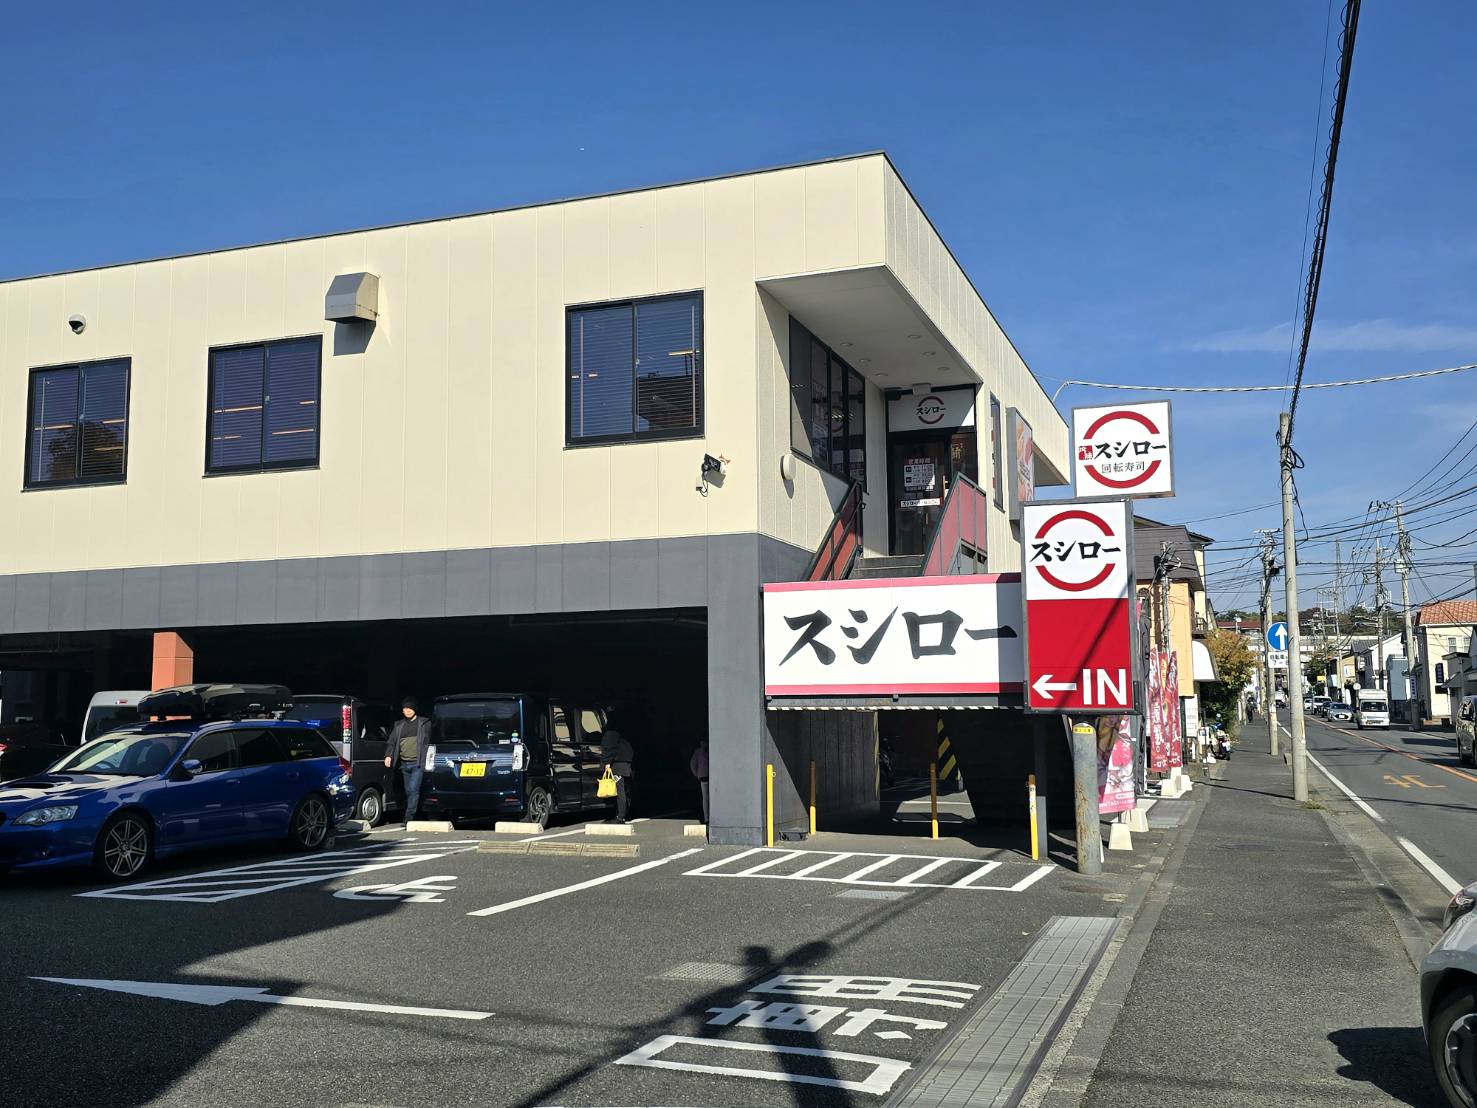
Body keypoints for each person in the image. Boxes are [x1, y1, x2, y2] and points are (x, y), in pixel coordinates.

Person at [384, 698, 430, 828]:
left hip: (418, 763)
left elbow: (429, 741)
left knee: (414, 789)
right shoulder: (399, 725)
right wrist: (388, 755)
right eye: (405, 708)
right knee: (409, 791)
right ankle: (417, 814)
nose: (407, 711)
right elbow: (392, 742)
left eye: (410, 708)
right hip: (404, 764)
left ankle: (408, 818)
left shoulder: (424, 723)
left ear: (415, 709)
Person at [601, 724, 635, 824]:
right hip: (626, 763)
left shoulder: (612, 731)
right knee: (624, 789)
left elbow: (610, 747)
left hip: (617, 764)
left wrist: (607, 762)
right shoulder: (624, 731)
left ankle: (620, 817)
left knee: (619, 790)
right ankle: (622, 814)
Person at [689, 740, 710, 824]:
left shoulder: (701, 751)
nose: (704, 744)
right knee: (706, 797)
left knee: (706, 797)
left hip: (707, 776)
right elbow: (692, 764)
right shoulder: (699, 752)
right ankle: (707, 818)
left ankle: (707, 817)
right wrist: (697, 774)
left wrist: (697, 774)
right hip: (704, 776)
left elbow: (693, 763)